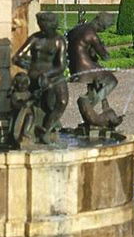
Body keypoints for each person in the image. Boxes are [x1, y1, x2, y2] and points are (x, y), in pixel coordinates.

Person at [11, 11, 69, 145]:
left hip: (54, 75)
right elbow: (17, 57)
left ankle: (46, 128)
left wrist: (47, 74)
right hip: (36, 75)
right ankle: (43, 129)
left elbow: (61, 66)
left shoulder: (59, 41)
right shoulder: (35, 39)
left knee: (62, 101)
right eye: (41, 26)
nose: (42, 29)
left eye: (45, 26)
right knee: (47, 100)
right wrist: (27, 65)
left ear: (53, 26)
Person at [67, 13, 123, 135]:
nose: (103, 30)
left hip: (74, 66)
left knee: (97, 82)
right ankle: (91, 104)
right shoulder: (91, 34)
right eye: (104, 27)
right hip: (85, 67)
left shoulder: (79, 28)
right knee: (112, 81)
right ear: (100, 24)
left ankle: (91, 108)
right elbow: (105, 56)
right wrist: (101, 45)